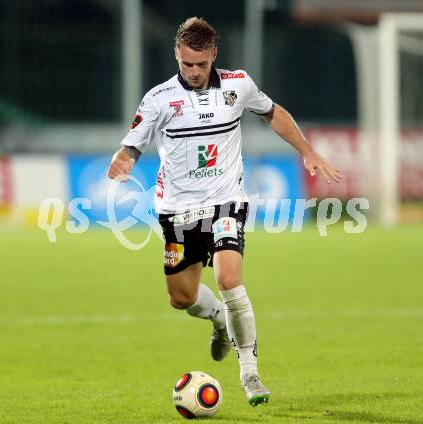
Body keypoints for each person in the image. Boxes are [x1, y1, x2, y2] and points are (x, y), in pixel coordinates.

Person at [107, 17, 341, 407]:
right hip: (179, 209)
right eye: (187, 65)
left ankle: (250, 372)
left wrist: (307, 149)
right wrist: (124, 159)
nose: (194, 72)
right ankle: (218, 318)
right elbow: (133, 143)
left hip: (226, 201)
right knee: (180, 298)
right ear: (177, 57)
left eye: (201, 64)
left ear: (213, 55)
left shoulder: (238, 85)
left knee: (230, 278)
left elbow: (272, 113)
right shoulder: (159, 98)